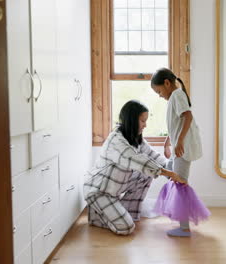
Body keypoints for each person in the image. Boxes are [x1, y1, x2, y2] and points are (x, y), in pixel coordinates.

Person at [83, 100, 185, 235]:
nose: (145, 125)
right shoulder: (116, 141)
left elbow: (153, 156)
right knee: (126, 228)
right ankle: (96, 216)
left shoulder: (135, 138)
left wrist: (173, 171)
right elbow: (138, 161)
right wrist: (169, 174)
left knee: (146, 175)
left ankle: (125, 212)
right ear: (132, 120)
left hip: (114, 189)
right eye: (143, 121)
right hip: (98, 191)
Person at [151, 68, 210, 237]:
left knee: (180, 183)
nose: (159, 95)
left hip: (183, 149)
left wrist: (180, 141)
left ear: (167, 84)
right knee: (171, 175)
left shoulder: (177, 95)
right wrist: (168, 141)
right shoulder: (174, 97)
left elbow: (187, 117)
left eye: (159, 91)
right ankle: (176, 216)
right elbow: (176, 124)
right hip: (179, 148)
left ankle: (184, 228)